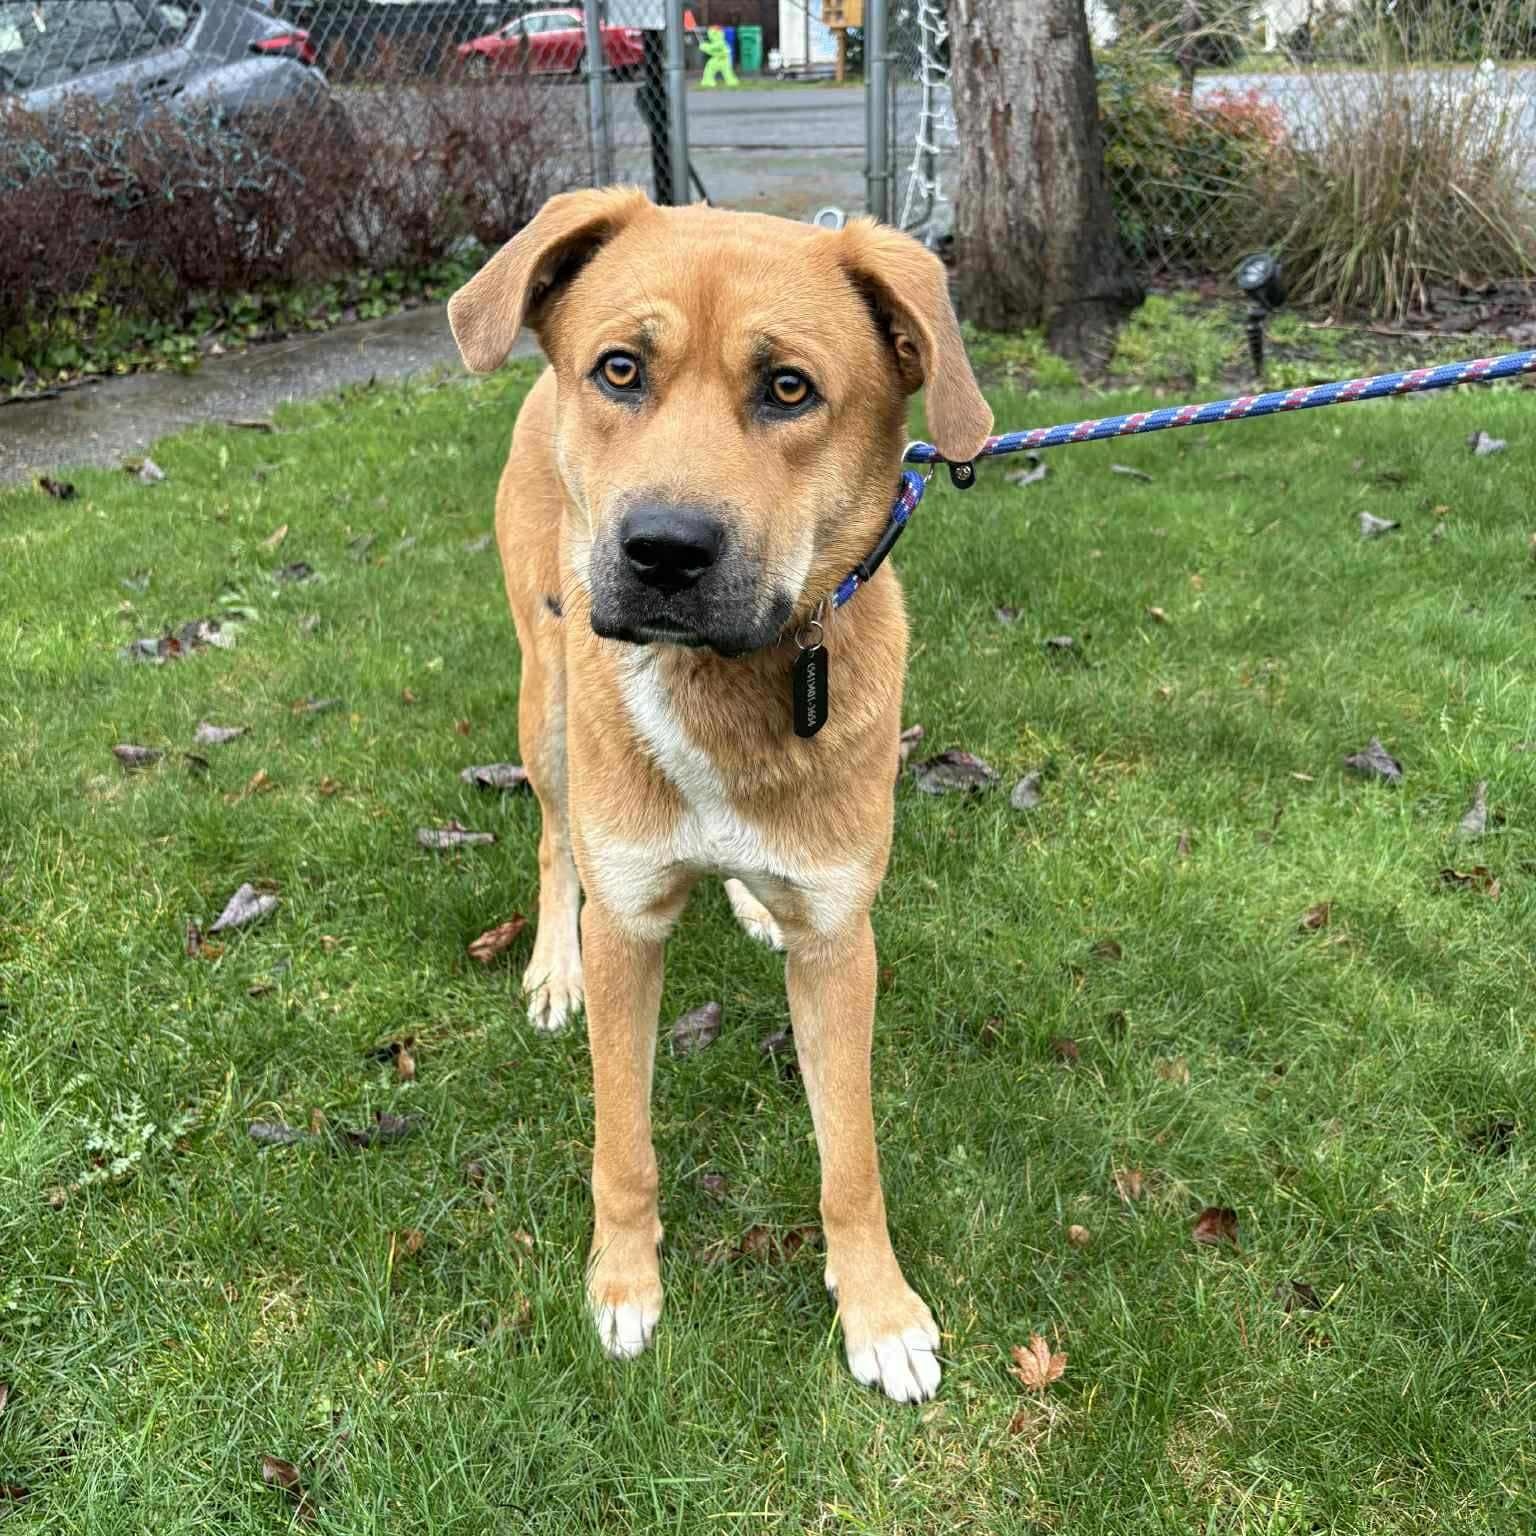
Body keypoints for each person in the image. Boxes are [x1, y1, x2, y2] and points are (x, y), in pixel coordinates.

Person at [698, 24, 737, 88]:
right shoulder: (719, 41)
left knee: (726, 71)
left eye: (711, 34)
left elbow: (712, 48)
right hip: (718, 59)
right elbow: (713, 52)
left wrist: (704, 47)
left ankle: (730, 81)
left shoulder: (720, 42)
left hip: (723, 59)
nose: (710, 36)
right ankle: (708, 80)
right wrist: (705, 47)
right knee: (710, 68)